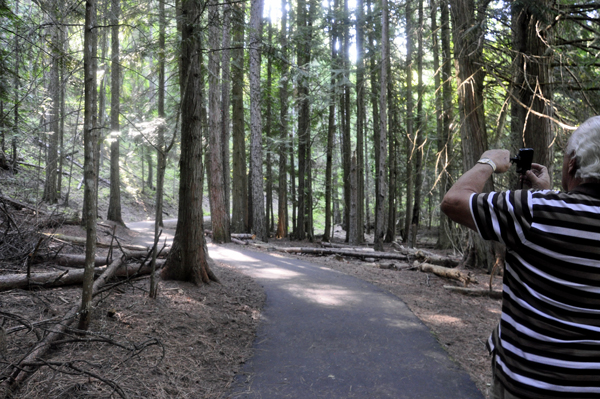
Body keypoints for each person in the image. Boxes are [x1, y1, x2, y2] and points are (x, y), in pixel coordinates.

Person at [440, 115, 600, 399]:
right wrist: (547, 195)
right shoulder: (540, 208)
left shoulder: (534, 210)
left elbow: (454, 202)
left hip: (527, 384)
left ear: (573, 163)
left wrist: (487, 161)